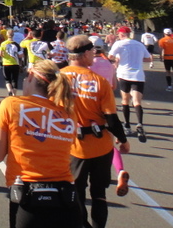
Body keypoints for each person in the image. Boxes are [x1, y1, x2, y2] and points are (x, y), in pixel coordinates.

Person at [0, 59, 80, 228]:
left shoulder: (12, 104)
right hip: (66, 199)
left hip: (29, 199)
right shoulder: (68, 113)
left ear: (31, 76)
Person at [61, 36, 130, 228]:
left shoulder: (59, 78)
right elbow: (111, 118)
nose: (94, 55)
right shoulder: (99, 82)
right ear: (84, 54)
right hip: (100, 144)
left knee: (77, 192)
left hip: (73, 144)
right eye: (92, 52)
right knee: (99, 194)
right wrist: (123, 139)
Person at [88, 36, 130, 197]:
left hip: (89, 105)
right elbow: (113, 85)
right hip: (108, 105)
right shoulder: (108, 63)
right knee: (109, 143)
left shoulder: (88, 65)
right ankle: (120, 170)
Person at [108, 26, 152, 142]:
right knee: (137, 101)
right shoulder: (139, 44)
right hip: (138, 75)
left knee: (125, 100)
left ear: (121, 34)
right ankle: (140, 124)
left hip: (124, 74)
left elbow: (110, 57)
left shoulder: (119, 44)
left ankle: (127, 125)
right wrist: (137, 59)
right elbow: (148, 58)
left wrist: (119, 60)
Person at [0, 28, 24, 96]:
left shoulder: (3, 44)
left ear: (7, 35)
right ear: (13, 35)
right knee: (15, 80)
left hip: (6, 64)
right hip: (15, 63)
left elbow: (0, 54)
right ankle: (14, 94)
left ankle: (10, 90)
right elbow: (21, 55)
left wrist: (4, 56)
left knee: (7, 79)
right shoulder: (16, 44)